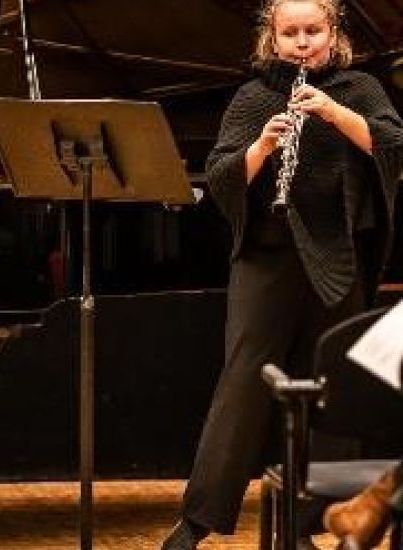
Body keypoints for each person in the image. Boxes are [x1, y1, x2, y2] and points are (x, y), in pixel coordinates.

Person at [160, 0, 403, 548]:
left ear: (333, 33)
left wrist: (334, 113)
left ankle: (315, 521)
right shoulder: (254, 96)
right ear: (272, 38)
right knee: (243, 382)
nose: (302, 42)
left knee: (331, 386)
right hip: (267, 258)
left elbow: (393, 146)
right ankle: (197, 521)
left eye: (313, 30)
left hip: (337, 256)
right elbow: (221, 177)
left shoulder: (359, 88)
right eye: (290, 32)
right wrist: (263, 146)